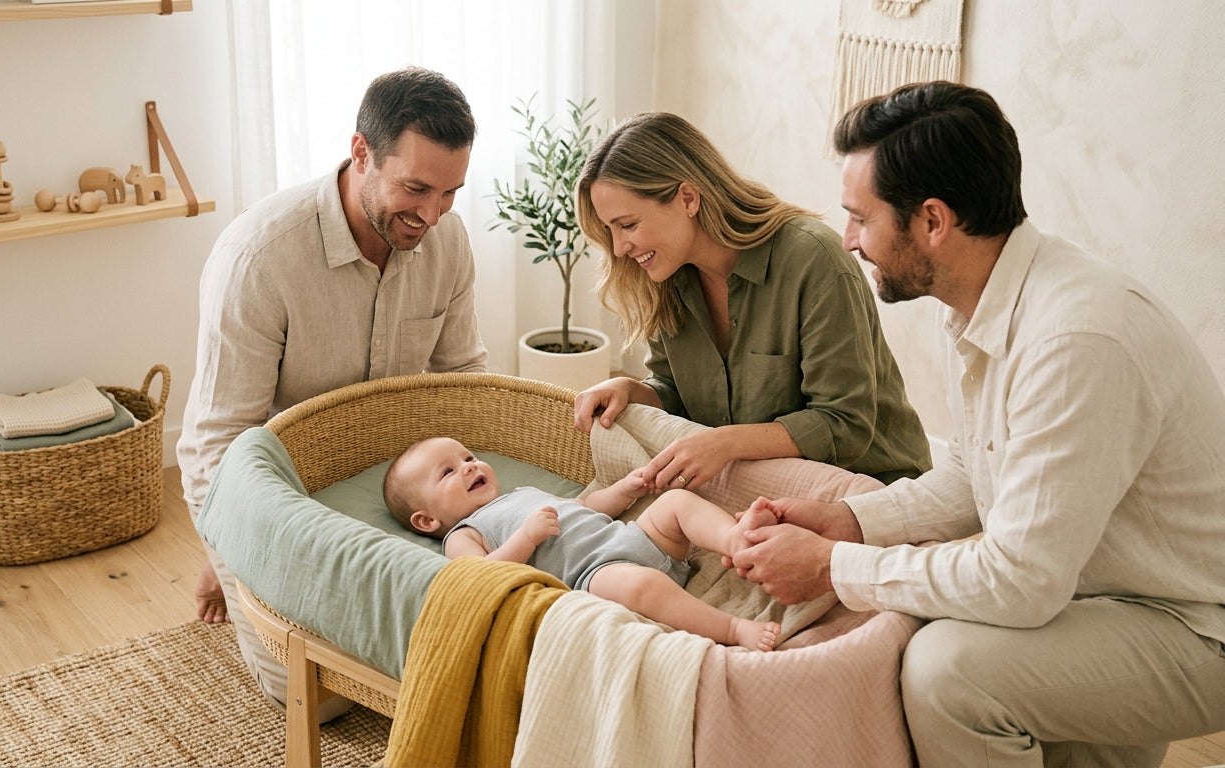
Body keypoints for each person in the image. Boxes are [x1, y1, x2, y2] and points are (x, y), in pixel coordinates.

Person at [729, 81, 1225, 766]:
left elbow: (1022, 580)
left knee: (948, 671)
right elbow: (972, 473)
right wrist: (850, 523)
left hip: (1193, 627)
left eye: (860, 218)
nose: (847, 240)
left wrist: (831, 567)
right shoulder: (974, 301)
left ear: (933, 221)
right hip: (1102, 588)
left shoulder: (1075, 338)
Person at [176, 67, 488, 710]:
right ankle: (224, 561)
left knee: (477, 645)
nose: (432, 214)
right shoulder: (257, 259)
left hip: (402, 489)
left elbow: (465, 384)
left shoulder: (445, 237)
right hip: (285, 501)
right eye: (416, 189)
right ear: (361, 154)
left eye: (450, 193)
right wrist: (241, 552)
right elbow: (213, 448)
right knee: (325, 699)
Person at [571, 111, 931, 497]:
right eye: (609, 230)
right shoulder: (666, 277)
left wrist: (725, 444)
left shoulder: (813, 259)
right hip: (760, 490)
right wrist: (630, 389)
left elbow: (845, 425)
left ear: (688, 198)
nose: (618, 248)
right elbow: (680, 392)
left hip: (872, 489)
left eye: (627, 225)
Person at [384, 436, 782, 651]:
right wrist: (526, 537)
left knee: (674, 503)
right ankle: (731, 629)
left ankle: (737, 538)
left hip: (632, 539)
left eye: (468, 456)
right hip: (595, 576)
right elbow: (484, 576)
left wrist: (625, 490)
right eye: (449, 472)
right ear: (427, 520)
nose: (469, 466)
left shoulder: (521, 492)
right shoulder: (463, 534)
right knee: (641, 586)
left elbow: (586, 505)